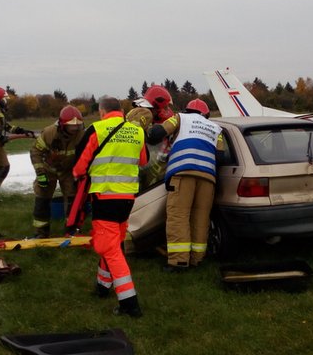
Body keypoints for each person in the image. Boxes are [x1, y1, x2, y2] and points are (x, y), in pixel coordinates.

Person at [72, 96, 148, 317]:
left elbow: (79, 164)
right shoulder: (137, 131)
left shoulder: (98, 128)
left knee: (111, 249)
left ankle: (129, 303)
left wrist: (79, 176)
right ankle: (102, 286)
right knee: (112, 241)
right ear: (121, 110)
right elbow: (143, 161)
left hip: (105, 196)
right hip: (128, 198)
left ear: (102, 111)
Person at [147, 98, 224, 272]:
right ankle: (197, 258)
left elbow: (158, 133)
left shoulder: (179, 118)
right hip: (208, 177)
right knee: (201, 217)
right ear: (206, 114)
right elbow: (221, 156)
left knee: (178, 216)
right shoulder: (216, 128)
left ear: (188, 110)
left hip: (183, 173)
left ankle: (179, 261)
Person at [29, 105, 85, 238]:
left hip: (69, 171)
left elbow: (87, 153)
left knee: (73, 200)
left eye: (77, 125)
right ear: (62, 124)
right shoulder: (49, 133)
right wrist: (40, 173)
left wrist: (81, 173)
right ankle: (41, 232)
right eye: (72, 125)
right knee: (42, 199)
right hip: (49, 170)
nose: (75, 128)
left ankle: (72, 230)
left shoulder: (82, 134)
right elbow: (35, 151)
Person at [132, 85, 175, 188]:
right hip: (145, 174)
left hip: (151, 176)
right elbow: (151, 137)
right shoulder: (144, 116)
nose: (167, 110)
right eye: (165, 107)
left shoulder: (140, 116)